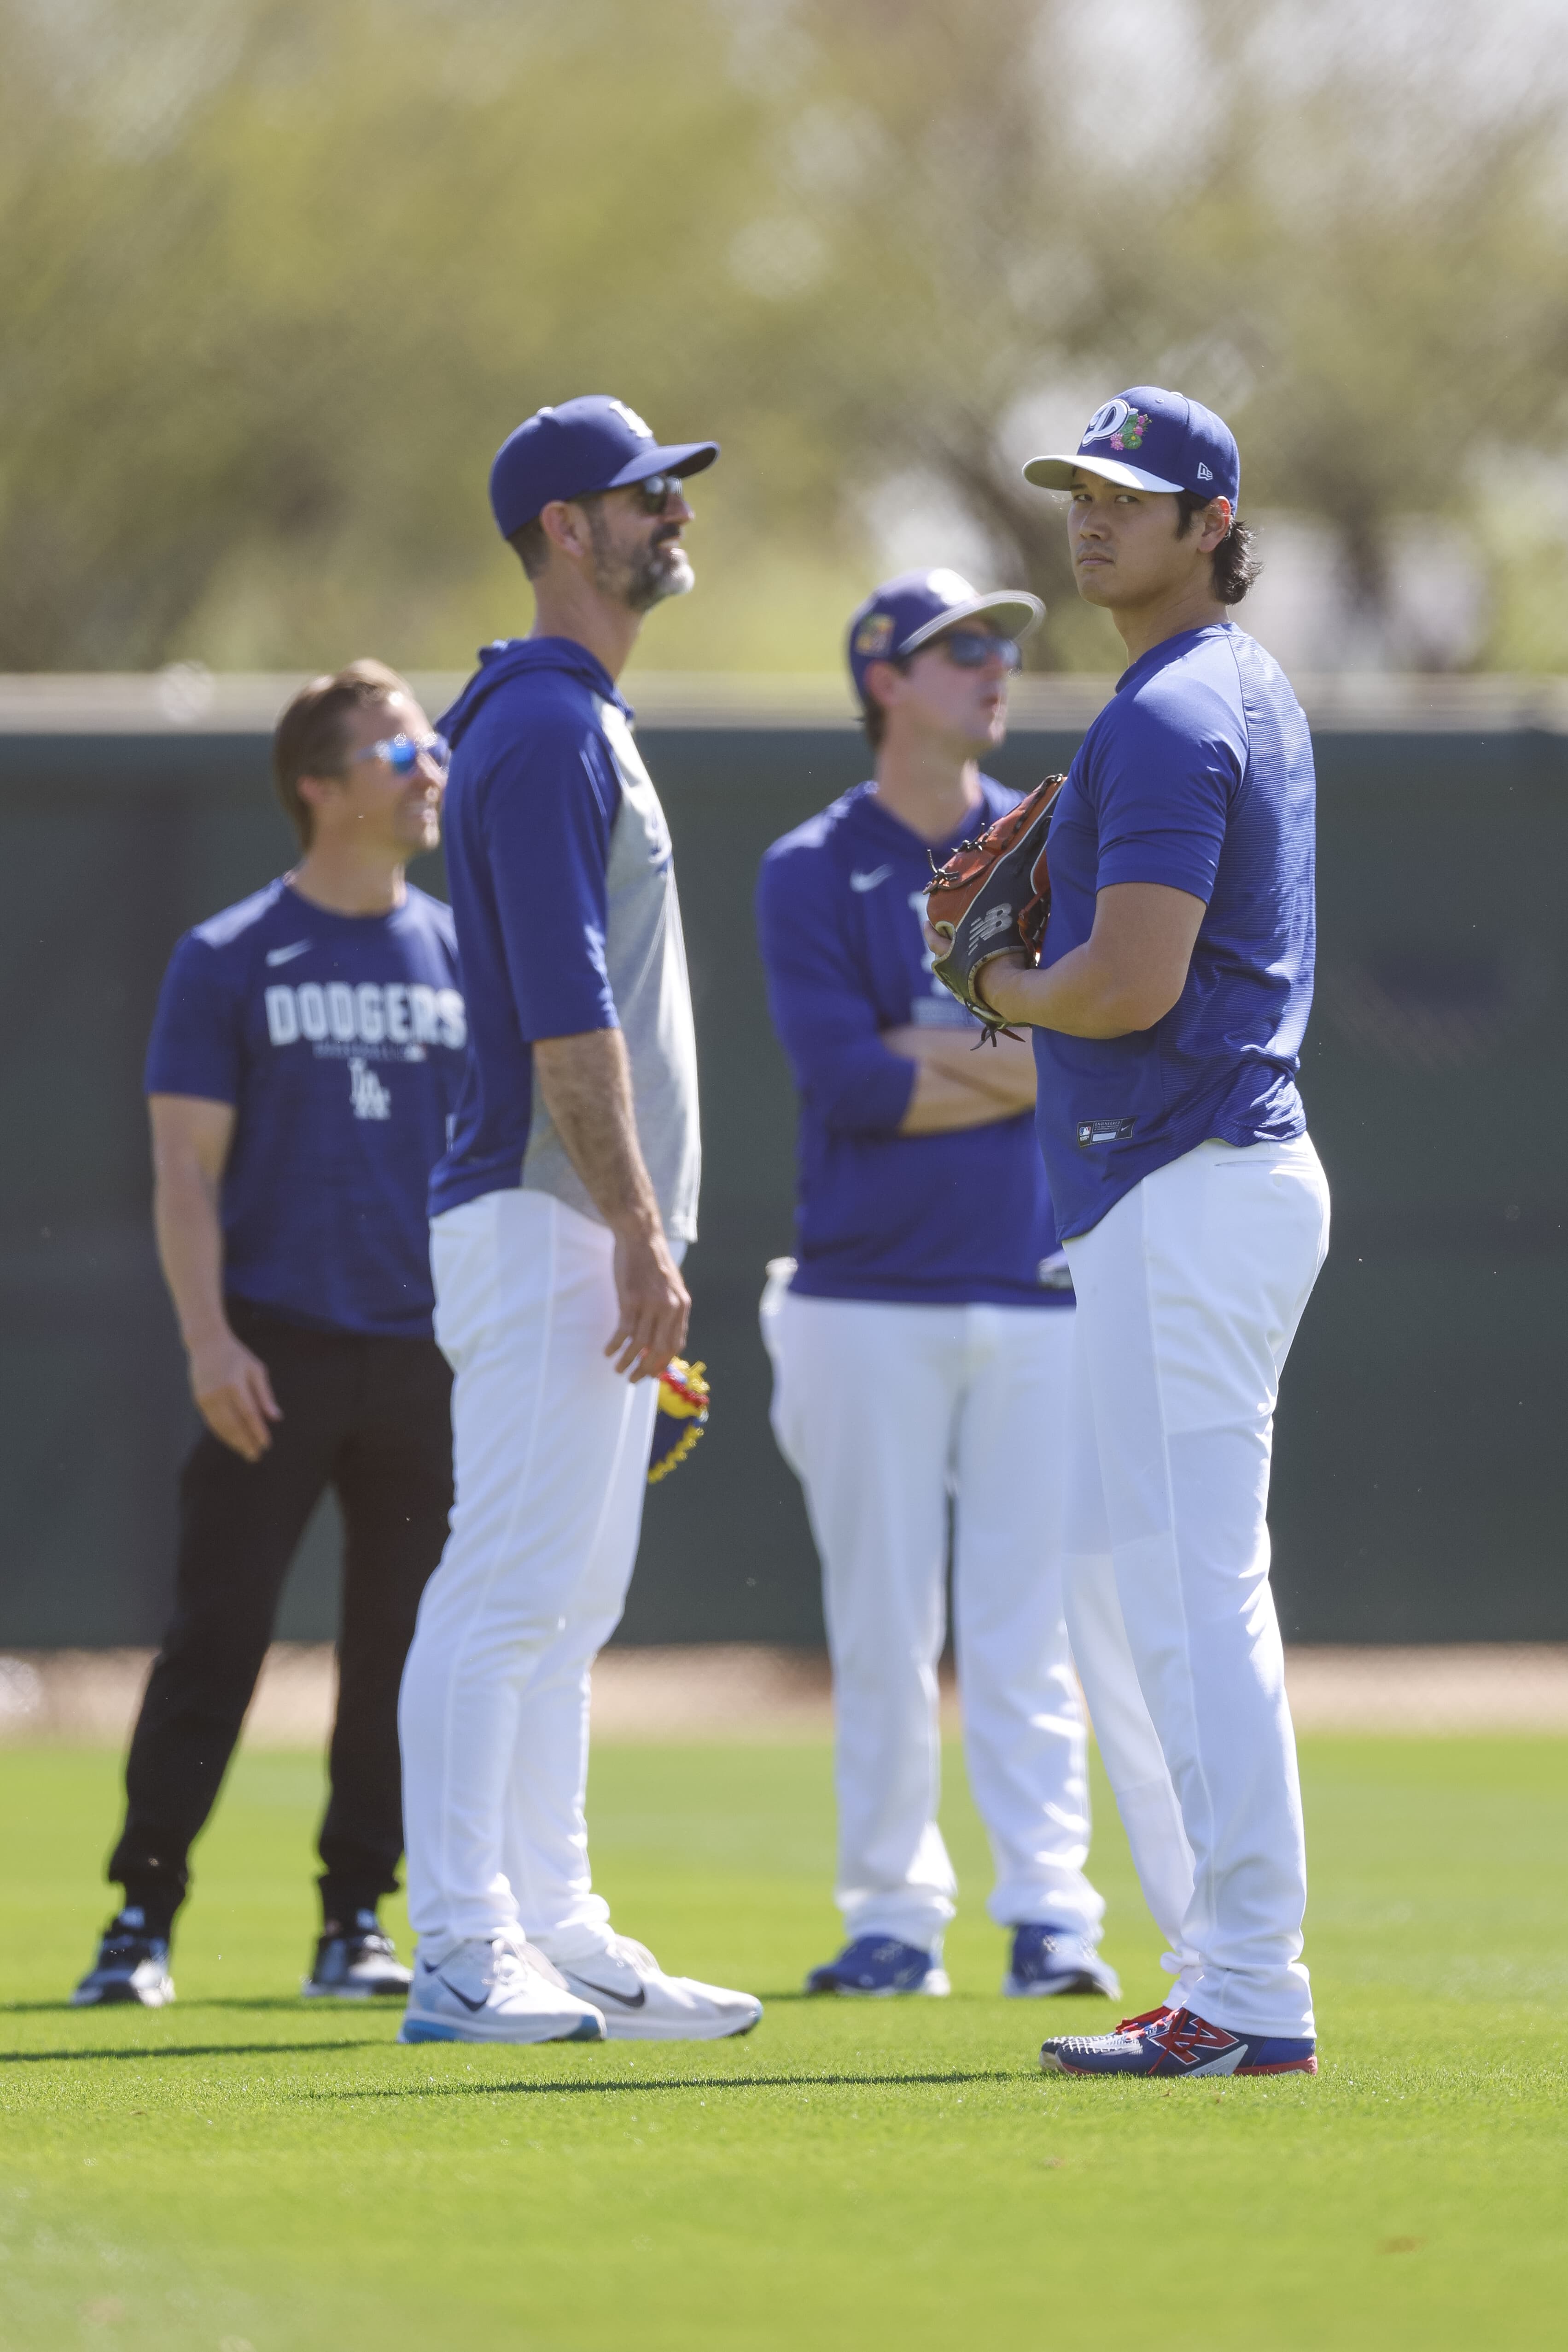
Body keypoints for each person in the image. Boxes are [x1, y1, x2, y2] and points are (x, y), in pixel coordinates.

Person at [945, 387, 1328, 2078]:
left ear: (1209, 523)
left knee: (1189, 1597)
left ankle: (1246, 1984)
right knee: (1173, 1590)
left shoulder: (1176, 714)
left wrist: (999, 983)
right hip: (1190, 1179)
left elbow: (1128, 981)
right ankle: (1233, 1972)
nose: (1093, 517)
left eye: (1130, 495)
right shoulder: (1196, 693)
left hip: (1187, 1177)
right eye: (1080, 490)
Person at [395, 395, 762, 2046]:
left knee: (571, 1592)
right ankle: (465, 1944)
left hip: (579, 1216)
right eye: (641, 494)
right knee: (508, 1582)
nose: (671, 512)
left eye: (671, 490)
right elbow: (568, 1007)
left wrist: (635, 1218)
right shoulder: (545, 723)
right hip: (549, 1211)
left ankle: (556, 1921)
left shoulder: (569, 715)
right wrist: (634, 1219)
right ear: (565, 527)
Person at [72, 661, 465, 2008]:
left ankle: (356, 1917)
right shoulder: (231, 954)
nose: (427, 769)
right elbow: (183, 1171)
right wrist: (208, 1339)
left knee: (400, 1654)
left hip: (427, 1358)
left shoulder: (463, 952)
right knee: (217, 1637)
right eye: (396, 749)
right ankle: (141, 1917)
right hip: (276, 1355)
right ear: (318, 784)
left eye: (428, 747)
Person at [756, 569, 1121, 2005]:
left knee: (1027, 1628)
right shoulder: (811, 863)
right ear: (883, 681)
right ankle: (894, 1917)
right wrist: (1006, 1064)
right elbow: (844, 1084)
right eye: (958, 647)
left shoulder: (1044, 846)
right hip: (864, 1296)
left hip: (1034, 1291)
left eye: (1000, 646)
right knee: (882, 1623)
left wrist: (941, 1055)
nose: (992, 667)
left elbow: (1077, 1064)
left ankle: (1053, 1917)